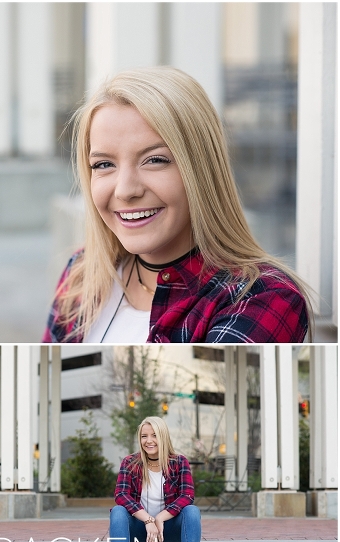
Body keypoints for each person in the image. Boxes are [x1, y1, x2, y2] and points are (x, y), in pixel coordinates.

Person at [43, 66, 310, 343]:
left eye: (155, 160)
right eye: (103, 164)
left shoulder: (261, 298)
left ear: (201, 169)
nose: (125, 190)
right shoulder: (82, 274)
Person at [109, 416, 200, 542]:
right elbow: (121, 495)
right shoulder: (130, 462)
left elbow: (187, 495)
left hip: (169, 532)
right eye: (144, 436)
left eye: (154, 435)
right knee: (118, 511)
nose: (148, 441)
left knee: (192, 511)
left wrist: (160, 517)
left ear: (163, 436)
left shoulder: (179, 462)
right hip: (139, 532)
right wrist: (148, 520)